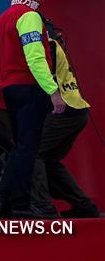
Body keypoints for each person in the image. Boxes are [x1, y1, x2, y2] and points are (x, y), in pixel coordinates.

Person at [0, 0, 65, 216]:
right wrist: (53, 91)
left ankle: (3, 199)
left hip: (9, 88)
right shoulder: (29, 15)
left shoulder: (1, 20)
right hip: (30, 87)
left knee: (21, 146)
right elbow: (35, 57)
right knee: (28, 148)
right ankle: (20, 204)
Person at [30, 21, 99, 218]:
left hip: (66, 110)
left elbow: (44, 75)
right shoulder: (56, 44)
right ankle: (84, 206)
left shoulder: (48, 44)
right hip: (76, 110)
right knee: (49, 159)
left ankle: (43, 206)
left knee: (35, 153)